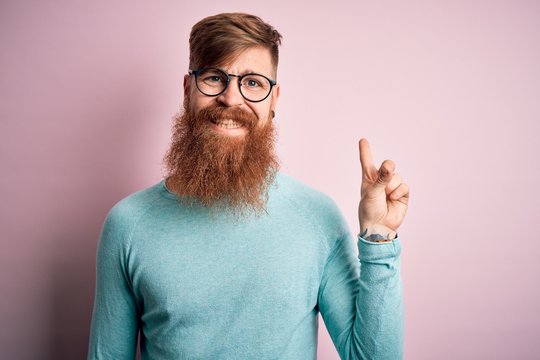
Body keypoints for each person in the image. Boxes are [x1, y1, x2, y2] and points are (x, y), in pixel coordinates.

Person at [88, 12, 409, 360]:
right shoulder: (128, 224)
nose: (231, 99)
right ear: (187, 90)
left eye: (253, 82)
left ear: (274, 100)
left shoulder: (317, 217)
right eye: (213, 77)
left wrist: (379, 237)